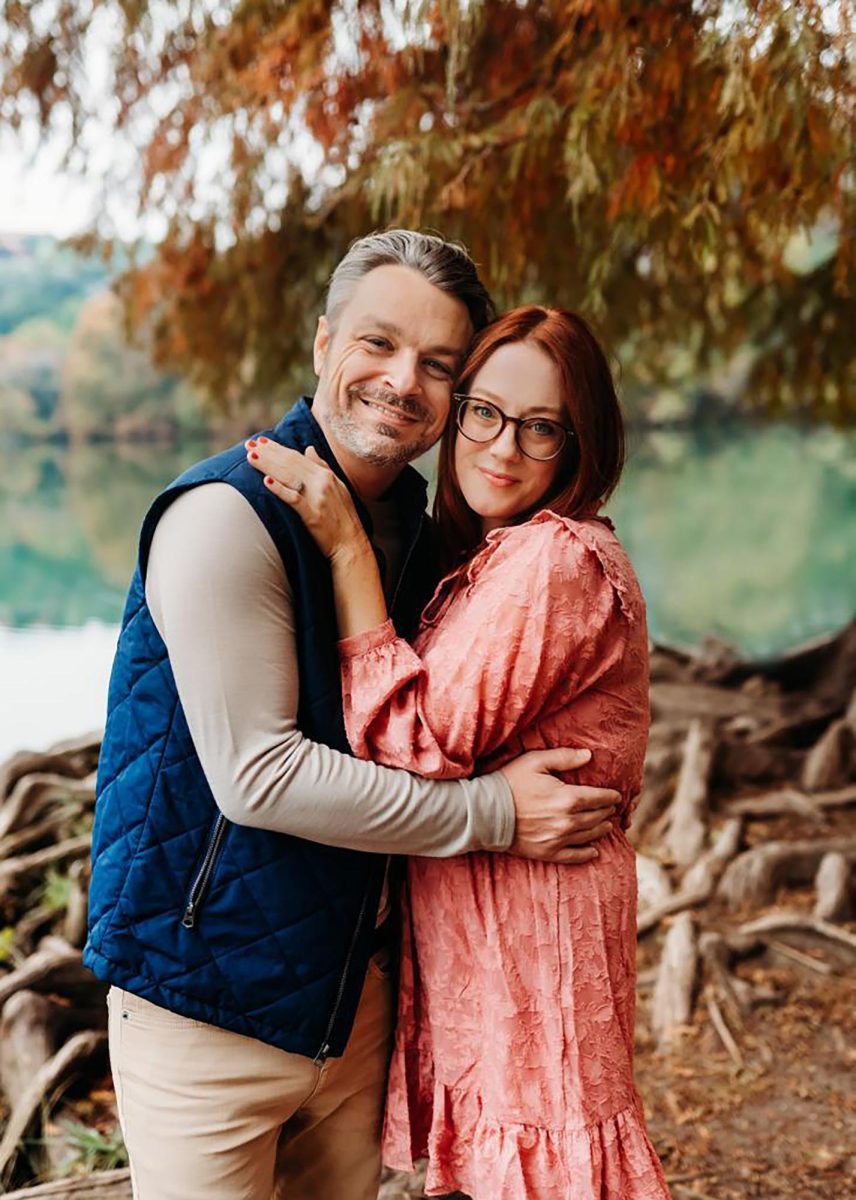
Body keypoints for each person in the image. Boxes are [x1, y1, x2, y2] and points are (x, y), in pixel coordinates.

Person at [83, 231, 625, 1200]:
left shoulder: (427, 538)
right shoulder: (225, 518)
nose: (400, 381)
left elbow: (449, 717)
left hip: (353, 1011)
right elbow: (260, 776)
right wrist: (496, 816)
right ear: (325, 343)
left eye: (437, 365)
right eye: (378, 344)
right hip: (205, 1014)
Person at [247, 304, 672, 1199]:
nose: (503, 447)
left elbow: (416, 744)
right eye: (484, 410)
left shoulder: (555, 560)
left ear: (581, 441)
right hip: (486, 927)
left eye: (541, 427)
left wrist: (346, 551)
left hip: (532, 933)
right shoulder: (494, 554)